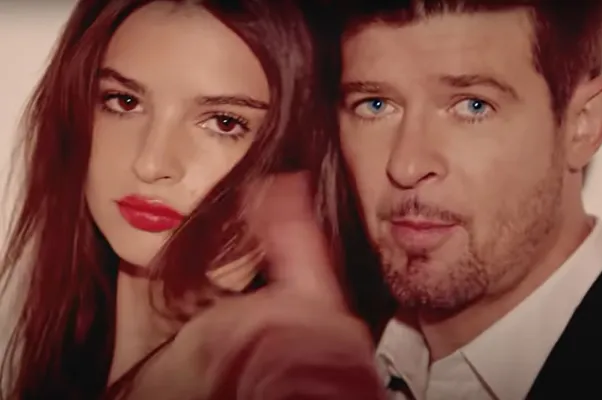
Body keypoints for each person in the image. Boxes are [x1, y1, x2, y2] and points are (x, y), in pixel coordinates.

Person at [0, 1, 385, 398]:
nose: (151, 163)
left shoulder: (260, 362)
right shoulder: (65, 352)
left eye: (224, 122)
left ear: (296, 151)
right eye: (124, 102)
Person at [330, 0, 602, 398]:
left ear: (583, 124)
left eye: (473, 106)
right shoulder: (317, 361)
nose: (406, 166)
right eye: (375, 106)